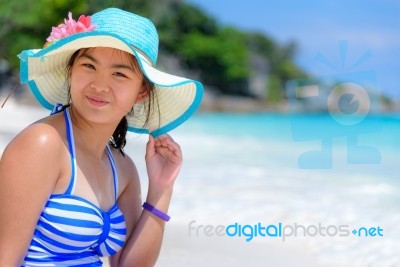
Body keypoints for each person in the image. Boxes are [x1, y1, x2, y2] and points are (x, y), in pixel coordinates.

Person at [0, 7, 203, 266]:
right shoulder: (43, 143)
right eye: (89, 65)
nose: (99, 85)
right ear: (70, 71)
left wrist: (161, 189)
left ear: (141, 92)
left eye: (119, 73)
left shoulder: (123, 169)